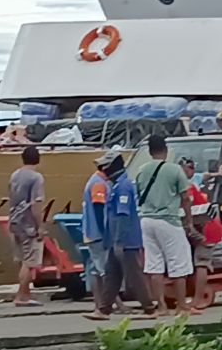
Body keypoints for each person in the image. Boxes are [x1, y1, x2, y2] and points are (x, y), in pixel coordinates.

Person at [136, 135, 200, 317]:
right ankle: (182, 306)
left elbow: (139, 193)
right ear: (166, 150)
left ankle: (161, 307)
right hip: (168, 220)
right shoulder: (174, 170)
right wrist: (189, 222)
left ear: (149, 151)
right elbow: (186, 198)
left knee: (154, 265)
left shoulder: (142, 170)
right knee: (178, 263)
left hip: (146, 221)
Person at [94, 151, 157, 320]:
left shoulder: (123, 187)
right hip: (118, 240)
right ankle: (104, 309)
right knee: (112, 274)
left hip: (126, 240)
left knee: (134, 275)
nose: (102, 169)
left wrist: (118, 240)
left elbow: (122, 215)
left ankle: (149, 308)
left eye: (104, 166)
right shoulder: (116, 185)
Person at [7, 146, 46, 307]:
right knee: (29, 261)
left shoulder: (14, 176)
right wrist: (41, 227)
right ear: (37, 159)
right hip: (29, 224)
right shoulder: (36, 178)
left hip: (15, 221)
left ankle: (25, 293)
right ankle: (21, 296)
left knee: (21, 258)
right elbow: (36, 205)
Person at [182, 157, 222, 310]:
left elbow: (190, 213)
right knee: (197, 261)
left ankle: (198, 299)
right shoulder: (188, 187)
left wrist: (192, 231)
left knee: (201, 262)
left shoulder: (187, 189)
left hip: (208, 227)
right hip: (202, 225)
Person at [82, 152, 114, 317]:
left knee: (97, 269)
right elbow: (99, 208)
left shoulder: (96, 181)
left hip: (91, 232)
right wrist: (106, 232)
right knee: (104, 270)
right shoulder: (98, 184)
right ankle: (103, 306)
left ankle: (101, 304)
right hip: (98, 234)